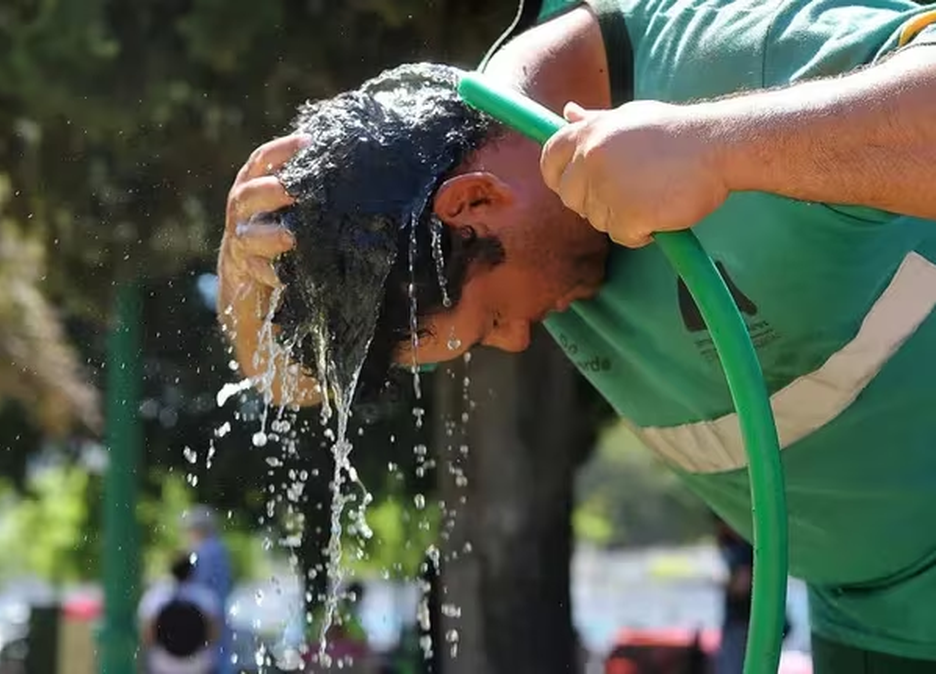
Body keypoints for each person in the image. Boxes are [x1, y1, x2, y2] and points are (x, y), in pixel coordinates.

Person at [215, 0, 936, 670]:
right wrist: (243, 266)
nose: (520, 341)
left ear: (476, 201)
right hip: (872, 626)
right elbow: (288, 382)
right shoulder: (460, 249)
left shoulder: (713, 51)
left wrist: (719, 147)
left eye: (492, 321)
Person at [137, 553, 221, 674]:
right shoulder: (206, 597)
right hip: (198, 665)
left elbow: (147, 635)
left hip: (162, 665)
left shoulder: (155, 597)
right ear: (192, 571)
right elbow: (214, 635)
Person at [183, 506, 234, 673]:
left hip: (206, 615)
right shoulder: (220, 549)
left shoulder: (203, 552)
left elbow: (198, 587)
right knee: (222, 656)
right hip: (219, 612)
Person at [715, 518, 754, 674]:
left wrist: (720, 584)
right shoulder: (736, 545)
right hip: (739, 623)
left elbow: (741, 585)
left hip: (742, 623)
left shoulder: (745, 549)